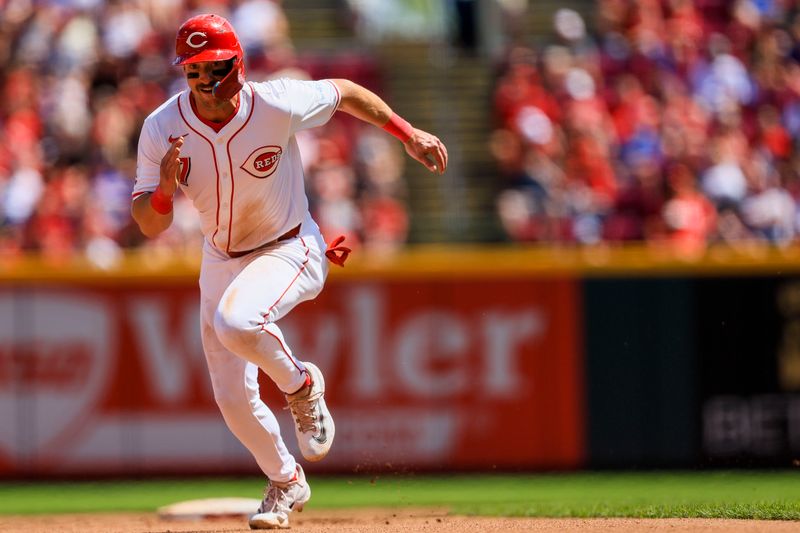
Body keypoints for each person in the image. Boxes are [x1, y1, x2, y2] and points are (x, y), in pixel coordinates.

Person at [130, 14, 447, 530]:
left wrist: (406, 134)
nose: (200, 82)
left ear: (236, 65)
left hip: (291, 246)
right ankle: (285, 479)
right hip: (219, 256)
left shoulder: (274, 102)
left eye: (210, 68)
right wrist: (165, 191)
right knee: (231, 397)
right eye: (191, 71)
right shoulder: (162, 127)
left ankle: (300, 386)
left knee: (238, 324)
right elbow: (149, 224)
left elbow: (343, 92)